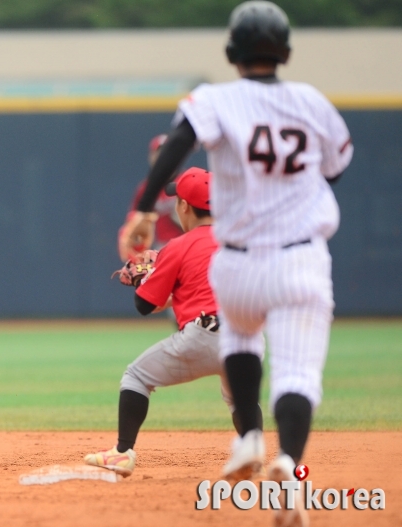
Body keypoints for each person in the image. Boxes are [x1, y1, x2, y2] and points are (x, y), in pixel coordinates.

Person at [118, 2, 353, 525]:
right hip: (299, 259)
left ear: (231, 53)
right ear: (286, 53)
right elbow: (336, 166)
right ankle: (287, 460)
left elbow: (177, 144)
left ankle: (246, 438)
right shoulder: (311, 102)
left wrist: (141, 209)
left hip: (239, 262)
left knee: (240, 339)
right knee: (295, 372)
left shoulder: (215, 99)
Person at [85, 168, 261, 477]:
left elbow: (144, 305)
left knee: (136, 377)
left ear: (183, 207)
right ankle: (252, 450)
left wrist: (147, 277)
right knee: (238, 396)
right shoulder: (238, 240)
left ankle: (122, 453)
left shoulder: (179, 246)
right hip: (246, 337)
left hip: (203, 335)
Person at [117, 134, 183, 262]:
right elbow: (132, 223)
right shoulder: (145, 189)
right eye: (158, 153)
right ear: (151, 157)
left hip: (186, 247)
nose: (163, 157)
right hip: (159, 250)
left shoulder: (188, 180)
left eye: (167, 152)